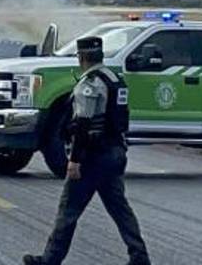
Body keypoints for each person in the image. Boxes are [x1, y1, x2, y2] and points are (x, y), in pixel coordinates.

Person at [24, 36, 151, 265]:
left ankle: (50, 260)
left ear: (82, 57)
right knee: (120, 210)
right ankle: (139, 256)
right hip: (115, 153)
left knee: (68, 211)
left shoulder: (89, 84)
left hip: (93, 157)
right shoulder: (115, 79)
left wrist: (74, 161)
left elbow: (83, 124)